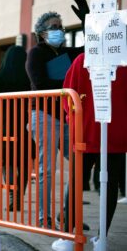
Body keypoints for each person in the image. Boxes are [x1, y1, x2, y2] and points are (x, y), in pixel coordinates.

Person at [52, 52, 127, 251]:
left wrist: (72, 119)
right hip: (117, 131)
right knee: (110, 185)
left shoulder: (83, 59)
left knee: (76, 182)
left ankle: (69, 236)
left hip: (85, 130)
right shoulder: (123, 59)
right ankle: (102, 239)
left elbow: (68, 93)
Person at [26, 0, 88, 228]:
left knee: (80, 165)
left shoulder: (67, 53)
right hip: (44, 115)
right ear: (42, 33)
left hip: (65, 117)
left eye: (61, 27)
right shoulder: (36, 54)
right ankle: (44, 217)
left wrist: (86, 21)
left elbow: (90, 47)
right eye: (54, 28)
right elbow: (39, 83)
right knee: (47, 169)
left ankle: (68, 213)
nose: (59, 31)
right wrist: (67, 85)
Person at [0, 45, 34, 211]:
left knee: (6, 161)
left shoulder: (0, 74)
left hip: (5, 125)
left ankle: (11, 194)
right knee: (23, 161)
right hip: (25, 124)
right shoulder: (27, 76)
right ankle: (18, 195)